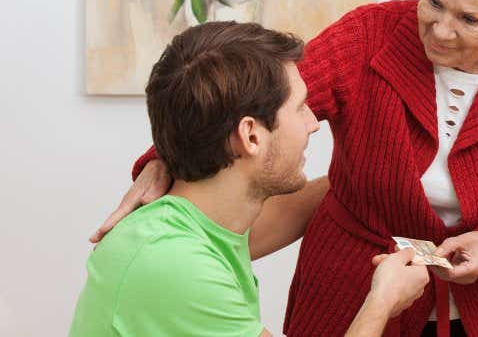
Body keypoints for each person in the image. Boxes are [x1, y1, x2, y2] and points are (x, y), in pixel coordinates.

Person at [91, 0, 478, 335]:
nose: (441, 29)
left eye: (469, 19)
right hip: (349, 290)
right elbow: (255, 105)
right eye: (433, 2)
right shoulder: (369, 35)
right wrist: (162, 160)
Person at [71, 22, 430, 337]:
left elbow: (316, 200)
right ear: (251, 136)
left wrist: (380, 170)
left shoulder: (193, 228)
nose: (313, 123)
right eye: (301, 107)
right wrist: (382, 302)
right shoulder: (174, 263)